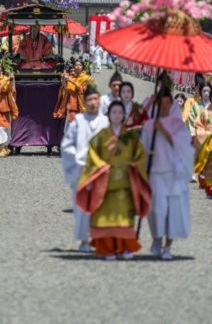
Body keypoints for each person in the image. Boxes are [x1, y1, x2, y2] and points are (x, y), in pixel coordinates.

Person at [76, 101, 150, 260]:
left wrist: (135, 166)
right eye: (114, 112)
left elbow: (140, 156)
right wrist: (102, 168)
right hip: (105, 183)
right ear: (109, 115)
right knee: (106, 218)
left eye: (119, 112)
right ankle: (107, 248)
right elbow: (92, 156)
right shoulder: (100, 137)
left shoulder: (131, 137)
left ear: (124, 116)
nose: (117, 115)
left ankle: (125, 247)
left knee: (124, 218)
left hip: (125, 183)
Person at [140, 87, 194, 260]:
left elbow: (183, 147)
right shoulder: (149, 125)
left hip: (173, 174)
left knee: (172, 211)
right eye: (160, 103)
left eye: (167, 103)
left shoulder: (178, 125)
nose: (164, 106)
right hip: (155, 173)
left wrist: (162, 130)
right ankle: (156, 239)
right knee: (155, 210)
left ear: (171, 105)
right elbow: (141, 147)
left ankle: (167, 247)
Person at [60, 85, 108, 253]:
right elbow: (66, 146)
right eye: (90, 100)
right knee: (82, 207)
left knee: (101, 206)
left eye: (96, 99)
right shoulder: (78, 121)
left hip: (102, 170)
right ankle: (83, 240)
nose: (93, 103)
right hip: (82, 169)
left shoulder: (106, 122)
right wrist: (80, 158)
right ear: (84, 102)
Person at [54, 60, 94, 130]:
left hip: (82, 105)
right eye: (76, 65)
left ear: (83, 67)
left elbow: (83, 90)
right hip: (72, 105)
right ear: (74, 66)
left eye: (80, 65)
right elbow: (65, 89)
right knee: (69, 129)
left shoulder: (87, 78)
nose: (78, 67)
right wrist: (63, 79)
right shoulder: (71, 77)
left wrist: (72, 81)